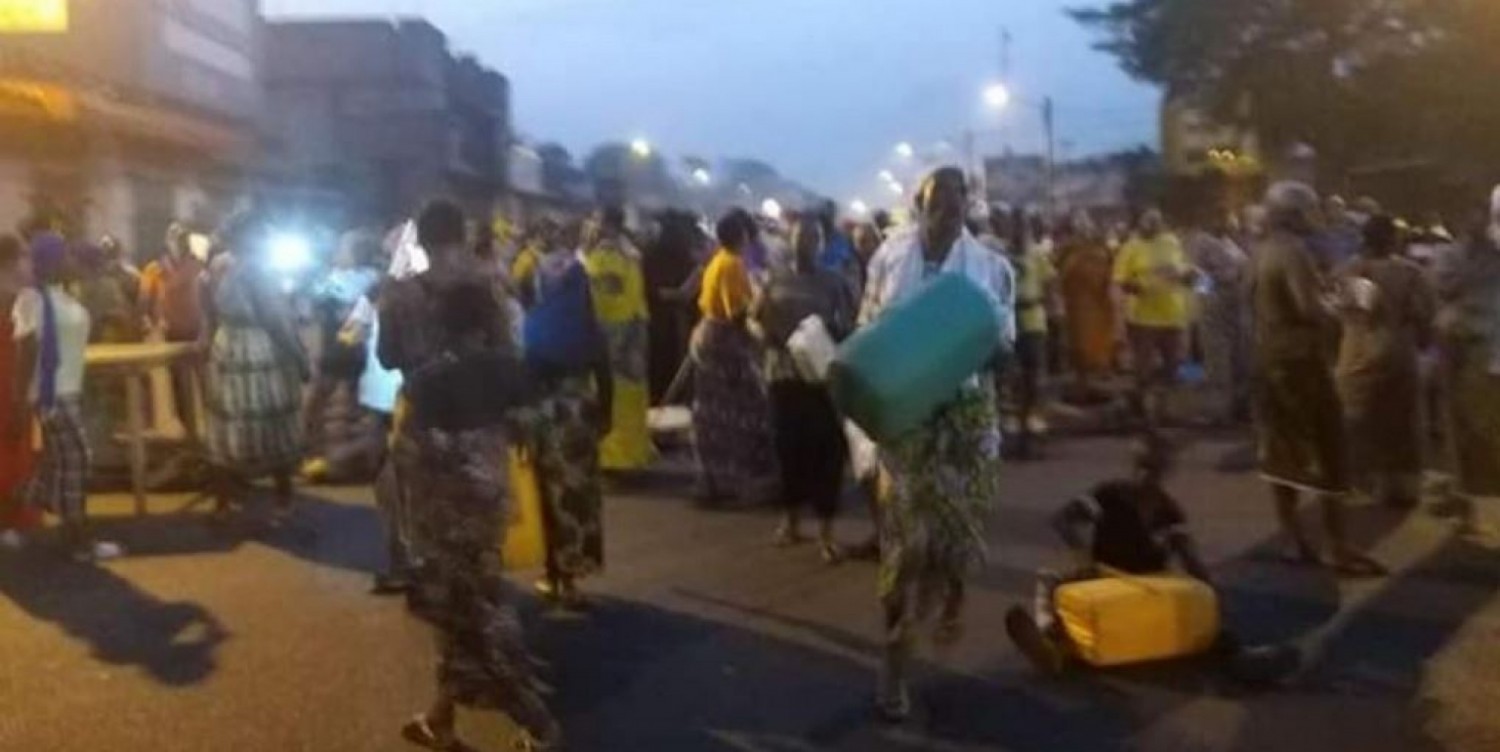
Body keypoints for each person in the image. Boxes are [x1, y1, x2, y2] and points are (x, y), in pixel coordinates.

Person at [859, 167, 1015, 721]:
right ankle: (895, 664)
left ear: (967, 208)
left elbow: (1005, 352)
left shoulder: (991, 267)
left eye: (956, 204)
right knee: (906, 543)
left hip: (967, 416)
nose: (947, 214)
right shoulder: (887, 260)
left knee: (956, 535)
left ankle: (952, 593)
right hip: (908, 415)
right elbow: (867, 334)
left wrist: (962, 338)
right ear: (918, 206)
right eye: (936, 204)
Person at [397, 282, 560, 752]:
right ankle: (439, 719)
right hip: (491, 504)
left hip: (445, 516)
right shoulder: (508, 369)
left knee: (473, 621)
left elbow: (408, 456)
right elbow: (536, 427)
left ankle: (539, 725)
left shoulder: (428, 381)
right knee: (459, 618)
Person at [1249, 182, 1384, 576]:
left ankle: (1292, 538)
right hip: (1300, 363)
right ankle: (1337, 546)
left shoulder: (1258, 252)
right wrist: (1349, 303)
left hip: (1268, 359)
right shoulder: (1293, 252)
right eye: (1310, 210)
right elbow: (1309, 309)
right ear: (1295, 213)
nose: (1317, 216)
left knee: (1280, 454)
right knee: (1330, 449)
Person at [1004, 433, 1211, 674]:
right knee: (1057, 585)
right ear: (1133, 465)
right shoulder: (1111, 495)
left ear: (1165, 471)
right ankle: (1053, 643)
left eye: (1154, 468)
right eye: (1142, 466)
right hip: (1109, 584)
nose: (1146, 474)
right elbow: (1064, 519)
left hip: (1138, 590)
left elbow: (1191, 559)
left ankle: (1054, 641)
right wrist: (1082, 554)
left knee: (1051, 584)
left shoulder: (1165, 512)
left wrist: (1206, 596)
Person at [11, 233, 122, 560]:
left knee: (55, 464)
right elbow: (26, 349)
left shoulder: (65, 295)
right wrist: (20, 403)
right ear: (50, 261)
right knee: (78, 459)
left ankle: (12, 514)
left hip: (70, 390)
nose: (73, 260)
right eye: (66, 256)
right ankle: (79, 541)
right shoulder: (31, 298)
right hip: (50, 394)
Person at [752, 214, 857, 563]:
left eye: (812, 238)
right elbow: (752, 319)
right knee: (788, 450)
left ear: (822, 244)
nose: (804, 244)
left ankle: (826, 532)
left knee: (827, 453)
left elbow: (852, 323)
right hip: (783, 375)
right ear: (790, 239)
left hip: (821, 379)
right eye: (799, 237)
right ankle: (791, 521)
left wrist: (828, 340)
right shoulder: (773, 279)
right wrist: (766, 336)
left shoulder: (834, 283)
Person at [521, 224, 612, 609]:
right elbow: (604, 370)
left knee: (547, 496)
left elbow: (524, 378)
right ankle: (573, 577)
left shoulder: (535, 325)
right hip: (581, 415)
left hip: (546, 417)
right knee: (580, 496)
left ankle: (552, 574)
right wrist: (605, 413)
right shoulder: (587, 322)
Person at [202, 212, 309, 524]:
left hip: (227, 347)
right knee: (273, 422)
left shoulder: (219, 265)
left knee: (225, 424)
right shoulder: (259, 271)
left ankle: (223, 502)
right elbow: (276, 319)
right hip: (258, 349)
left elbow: (208, 308)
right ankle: (283, 498)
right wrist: (300, 358)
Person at [1334, 215, 1435, 508]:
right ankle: (1402, 487)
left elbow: (1345, 316)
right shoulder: (1411, 273)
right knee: (1401, 422)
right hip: (1400, 355)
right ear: (1393, 239)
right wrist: (1422, 345)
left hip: (1358, 355)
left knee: (1358, 420)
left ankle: (1357, 483)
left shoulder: (1351, 270)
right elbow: (1423, 316)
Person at [692, 209, 778, 503]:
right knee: (746, 409)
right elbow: (738, 313)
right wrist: (763, 297)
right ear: (741, 236)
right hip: (724, 342)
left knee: (714, 413)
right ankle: (737, 478)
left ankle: (716, 479)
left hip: (711, 337)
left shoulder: (718, 261)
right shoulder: (732, 265)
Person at [1432, 188, 1500, 505]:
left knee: (1486, 419)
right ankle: (1464, 489)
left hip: (1486, 345)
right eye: (1471, 214)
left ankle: (1484, 486)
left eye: (1482, 214)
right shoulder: (1448, 254)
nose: (1478, 220)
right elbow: (1443, 288)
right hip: (1456, 343)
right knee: (1455, 417)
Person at [580, 207, 653, 471]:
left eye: (597, 220)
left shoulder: (605, 255)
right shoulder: (630, 251)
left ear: (607, 225)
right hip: (633, 326)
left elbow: (603, 289)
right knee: (633, 390)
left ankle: (615, 454)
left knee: (612, 393)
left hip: (612, 330)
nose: (592, 225)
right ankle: (634, 449)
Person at [302, 231, 382, 473]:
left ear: (355, 253)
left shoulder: (343, 280)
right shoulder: (375, 278)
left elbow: (312, 305)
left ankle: (309, 448)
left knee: (317, 400)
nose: (339, 252)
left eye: (343, 248)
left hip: (340, 350)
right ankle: (365, 458)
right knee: (363, 406)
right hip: (361, 350)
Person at [1113, 209, 1193, 424]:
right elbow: (1120, 281)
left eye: (1156, 222)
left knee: (1173, 366)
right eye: (1148, 222)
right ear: (1140, 224)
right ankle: (1141, 412)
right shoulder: (1131, 247)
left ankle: (1164, 410)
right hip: (1143, 319)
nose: (1153, 225)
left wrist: (1186, 274)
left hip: (1173, 316)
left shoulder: (1171, 242)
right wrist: (1138, 287)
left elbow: (1185, 269)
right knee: (1144, 370)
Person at [139, 221, 207, 433]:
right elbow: (144, 298)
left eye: (182, 238)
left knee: (203, 378)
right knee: (178, 379)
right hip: (173, 330)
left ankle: (206, 426)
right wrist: (147, 318)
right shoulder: (155, 269)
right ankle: (188, 427)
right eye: (174, 238)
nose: (179, 242)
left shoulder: (197, 265)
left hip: (197, 328)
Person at [1187, 212, 1252, 425]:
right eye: (1226, 221)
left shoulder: (1232, 244)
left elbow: (1245, 270)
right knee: (1217, 358)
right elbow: (1197, 274)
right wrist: (1207, 298)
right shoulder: (1202, 242)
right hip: (1216, 301)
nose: (1231, 225)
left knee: (1239, 356)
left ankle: (1240, 407)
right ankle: (1219, 411)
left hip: (1236, 303)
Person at [0, 235, 41, 549]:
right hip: (10, 386)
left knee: (14, 454)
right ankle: (9, 522)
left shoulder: (23, 298)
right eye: (24, 257)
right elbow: (28, 348)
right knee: (11, 455)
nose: (28, 264)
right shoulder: (21, 299)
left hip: (11, 385)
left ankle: (11, 520)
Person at [1008, 210, 1059, 457]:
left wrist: (1054, 309)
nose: (1017, 232)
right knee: (1012, 381)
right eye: (1013, 227)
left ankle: (1036, 430)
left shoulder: (1037, 255)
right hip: (1007, 323)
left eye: (1022, 227)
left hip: (1033, 321)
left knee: (1035, 378)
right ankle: (1016, 432)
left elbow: (1050, 284)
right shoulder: (998, 256)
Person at [1057, 211, 1117, 403]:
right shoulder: (1067, 252)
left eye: (1087, 228)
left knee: (1097, 349)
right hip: (1075, 309)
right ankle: (1081, 388)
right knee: (1078, 350)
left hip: (1098, 307)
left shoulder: (1103, 251)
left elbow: (1111, 277)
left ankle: (1095, 388)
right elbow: (1058, 277)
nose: (1084, 232)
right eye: (1079, 228)